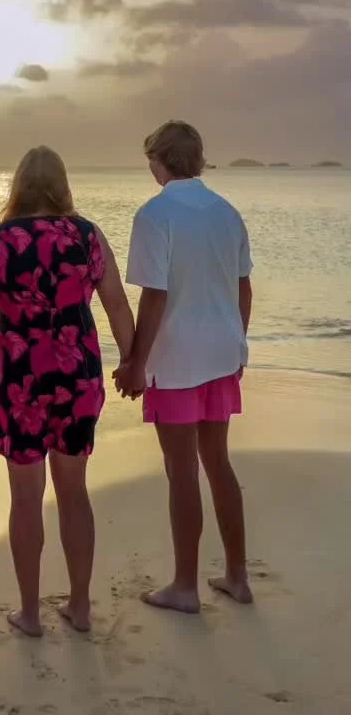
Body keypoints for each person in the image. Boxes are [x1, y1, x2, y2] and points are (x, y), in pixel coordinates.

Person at [0, 146, 134, 637]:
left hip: (20, 378)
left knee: (26, 499)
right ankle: (80, 607)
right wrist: (133, 361)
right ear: (62, 185)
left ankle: (30, 613)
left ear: (18, 186)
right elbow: (116, 305)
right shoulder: (88, 235)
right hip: (77, 375)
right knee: (74, 492)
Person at [114, 121, 254, 614]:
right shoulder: (227, 212)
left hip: (176, 358)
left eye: (150, 159)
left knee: (181, 470)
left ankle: (185, 587)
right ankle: (237, 576)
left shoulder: (155, 214)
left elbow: (155, 296)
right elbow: (243, 288)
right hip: (222, 352)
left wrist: (136, 363)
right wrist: (238, 343)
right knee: (217, 462)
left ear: (160, 160)